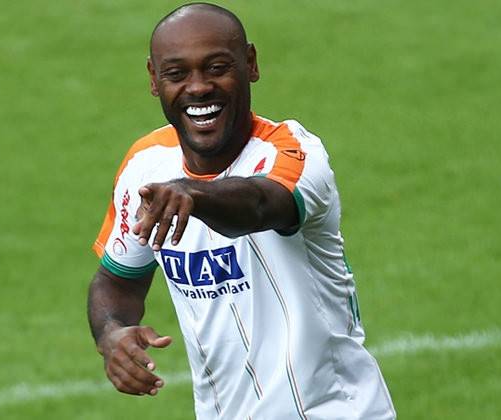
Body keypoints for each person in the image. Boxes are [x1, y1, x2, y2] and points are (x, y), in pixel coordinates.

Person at [86, 3, 396, 419]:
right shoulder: (145, 166)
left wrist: (194, 194)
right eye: (176, 74)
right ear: (154, 80)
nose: (198, 88)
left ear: (250, 64)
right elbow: (117, 281)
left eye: (217, 68)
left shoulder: (294, 152)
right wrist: (111, 334)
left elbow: (261, 204)